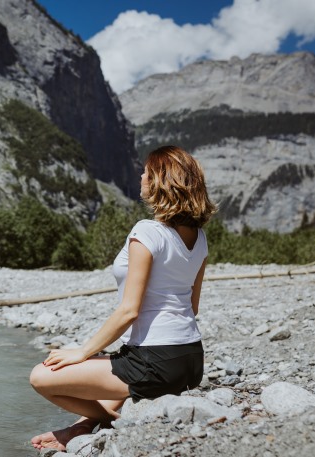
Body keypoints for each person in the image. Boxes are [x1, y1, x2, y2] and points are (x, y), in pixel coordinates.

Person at [29, 145, 217, 451]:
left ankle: (112, 421)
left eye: (146, 172)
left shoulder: (147, 232)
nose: (141, 176)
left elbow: (130, 311)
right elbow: (191, 307)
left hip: (154, 362)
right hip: (191, 362)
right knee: (112, 374)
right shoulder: (200, 239)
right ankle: (79, 428)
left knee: (40, 376)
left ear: (160, 180)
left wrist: (83, 352)